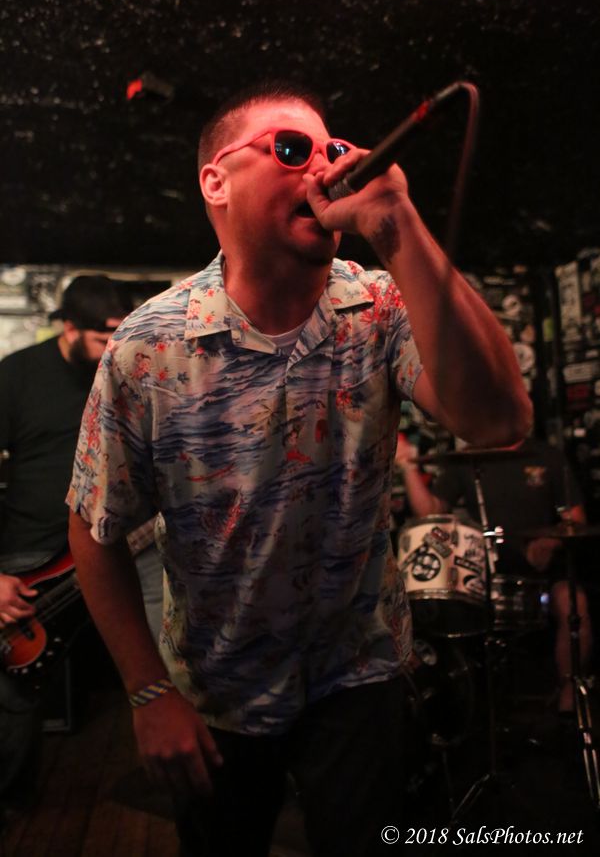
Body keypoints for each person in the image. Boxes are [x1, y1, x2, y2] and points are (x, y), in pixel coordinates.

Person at [67, 81, 532, 857]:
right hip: (219, 690)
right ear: (216, 181)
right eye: (291, 149)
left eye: (332, 149)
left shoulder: (379, 306)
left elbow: (501, 421)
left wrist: (398, 225)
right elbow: (93, 526)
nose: (324, 166)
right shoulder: (149, 347)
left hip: (360, 674)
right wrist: (148, 691)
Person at [0, 275, 163, 805]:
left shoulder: (132, 369)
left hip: (130, 542)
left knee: (169, 653)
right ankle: (13, 807)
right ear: (68, 329)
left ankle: (179, 779)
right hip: (34, 551)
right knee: (15, 690)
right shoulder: (17, 375)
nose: (114, 346)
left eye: (121, 334)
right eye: (103, 336)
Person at [394, 434, 591, 714]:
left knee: (575, 606)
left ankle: (569, 695)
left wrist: (549, 542)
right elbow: (431, 511)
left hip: (543, 570)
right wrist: (407, 466)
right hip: (483, 571)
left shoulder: (548, 456)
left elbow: (575, 518)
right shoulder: (467, 459)